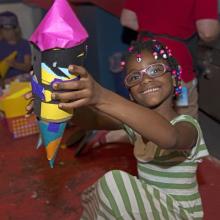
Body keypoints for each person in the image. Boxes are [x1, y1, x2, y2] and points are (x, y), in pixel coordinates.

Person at [27, 39, 207, 219]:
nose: (145, 80)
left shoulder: (187, 126)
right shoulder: (135, 125)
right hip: (150, 211)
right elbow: (92, 120)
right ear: (130, 92)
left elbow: (170, 138)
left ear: (175, 78)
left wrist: (102, 96)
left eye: (155, 70)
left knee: (114, 183)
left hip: (180, 215)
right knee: (94, 195)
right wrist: (61, 101)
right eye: (134, 77)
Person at [120, 0, 220, 119]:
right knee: (185, 116)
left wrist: (155, 28)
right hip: (177, 66)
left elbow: (127, 19)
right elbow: (207, 32)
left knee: (147, 119)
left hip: (143, 61)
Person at [0, 11, 32, 81]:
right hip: (5, 81)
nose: (6, 33)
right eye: (4, 30)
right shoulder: (1, 45)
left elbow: (28, 67)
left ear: (16, 30)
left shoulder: (24, 44)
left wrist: (14, 64)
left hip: (22, 78)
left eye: (9, 30)